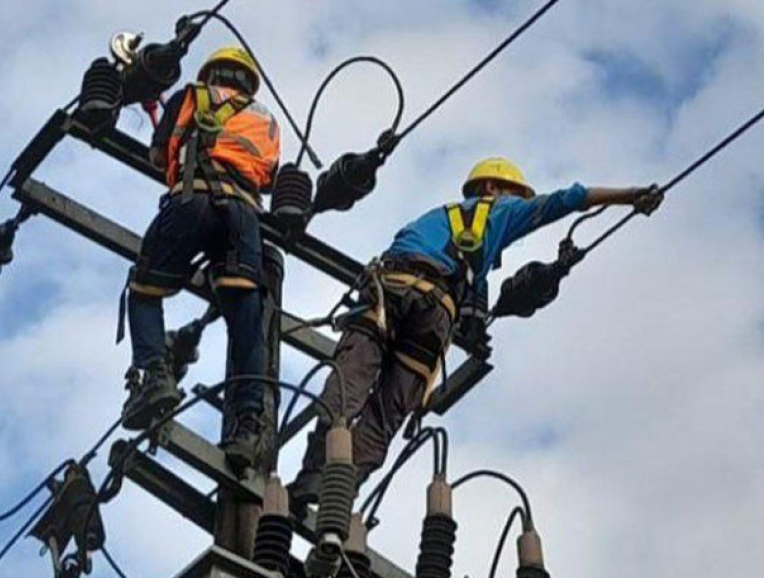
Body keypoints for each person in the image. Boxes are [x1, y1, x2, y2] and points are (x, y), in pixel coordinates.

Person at [287, 157, 663, 510]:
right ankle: (341, 495)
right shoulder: (502, 212)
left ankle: (310, 480)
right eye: (515, 193)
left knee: (347, 383)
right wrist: (629, 196)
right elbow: (567, 200)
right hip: (434, 315)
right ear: (491, 188)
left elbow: (468, 298)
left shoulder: (433, 221)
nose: (519, 203)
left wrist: (473, 320)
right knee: (387, 413)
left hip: (390, 289)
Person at [120, 47, 281, 472]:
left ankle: (154, 376)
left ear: (211, 73)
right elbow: (268, 174)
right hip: (243, 216)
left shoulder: (190, 96)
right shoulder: (267, 119)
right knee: (246, 321)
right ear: (248, 82)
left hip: (192, 201)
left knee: (143, 290)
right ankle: (248, 426)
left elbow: (159, 154)